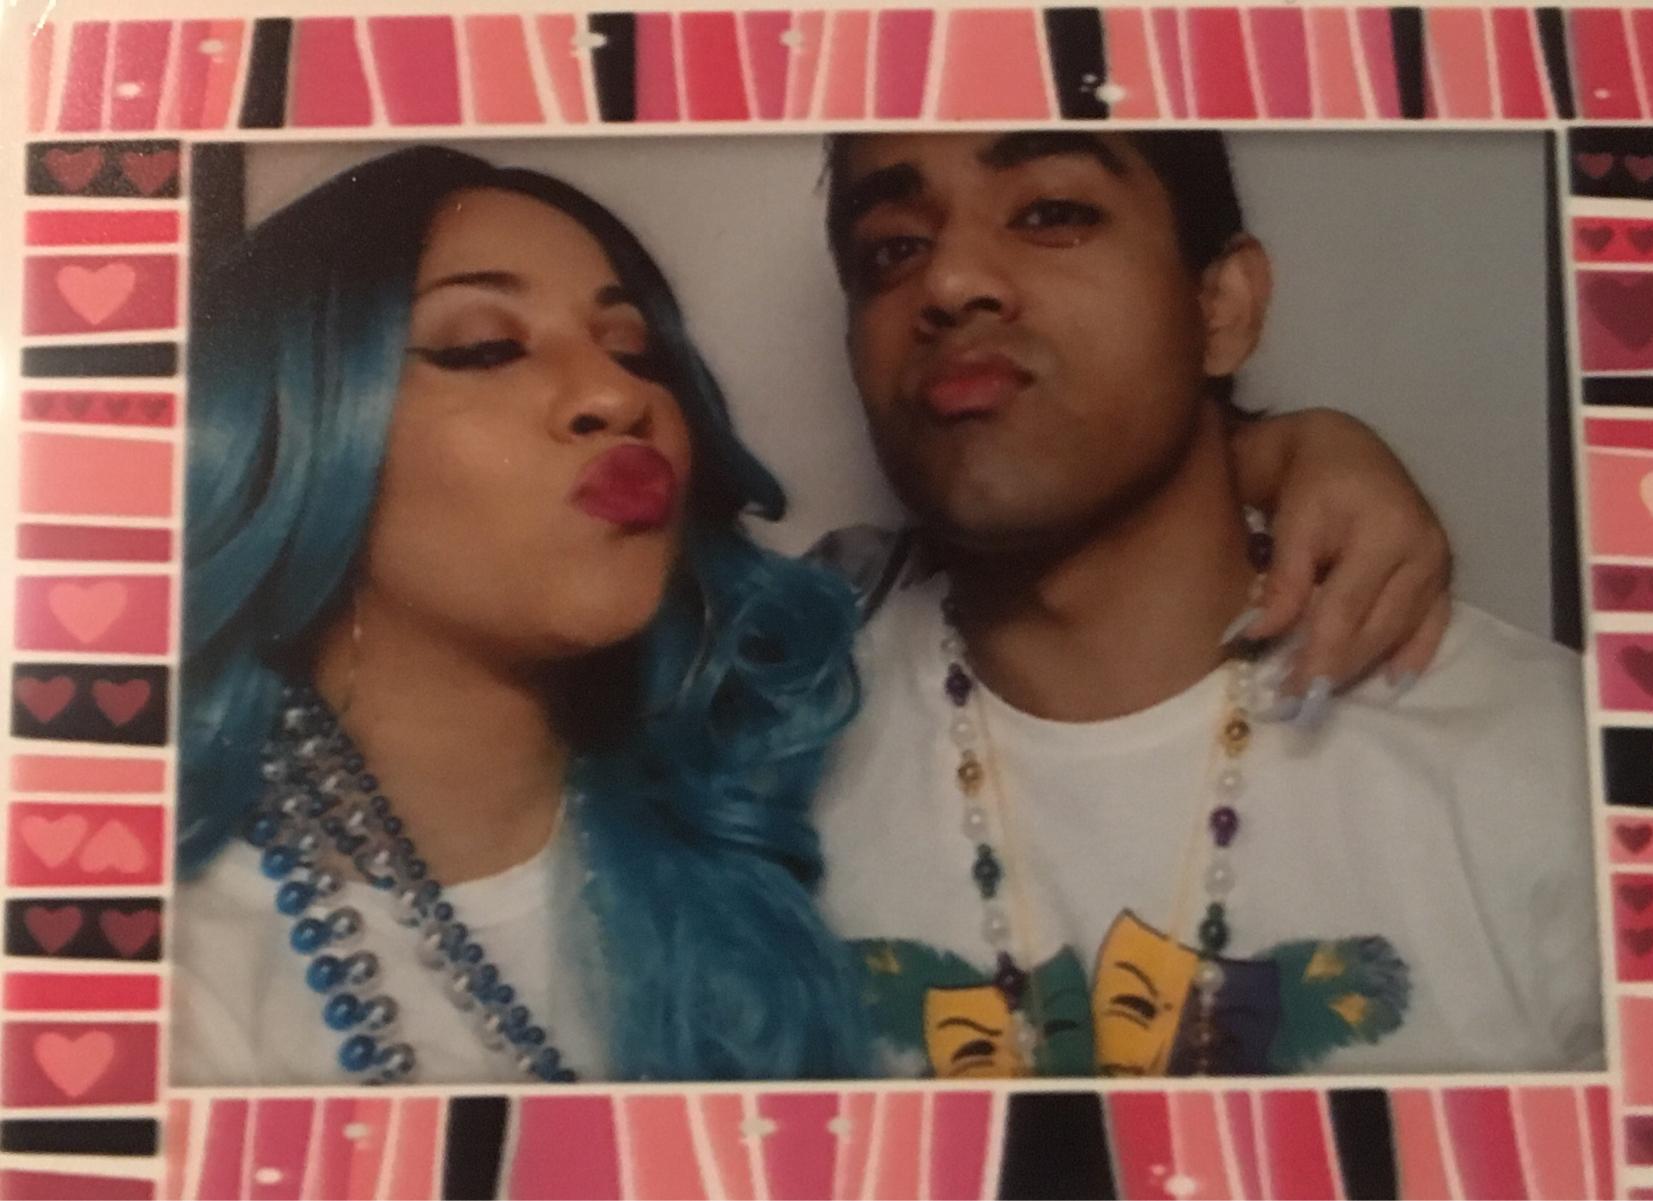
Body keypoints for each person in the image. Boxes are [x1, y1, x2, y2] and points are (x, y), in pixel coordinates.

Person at [171, 144, 1454, 1086]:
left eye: (635, 350)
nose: (618, 397)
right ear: (290, 424)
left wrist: (1278, 447)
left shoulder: (758, 738)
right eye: (483, 346)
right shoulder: (166, 974)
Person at [813, 131, 1602, 1078]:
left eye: (1052, 213)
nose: (948, 282)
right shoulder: (748, 763)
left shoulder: (1567, 772)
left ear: (1222, 305)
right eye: (894, 247)